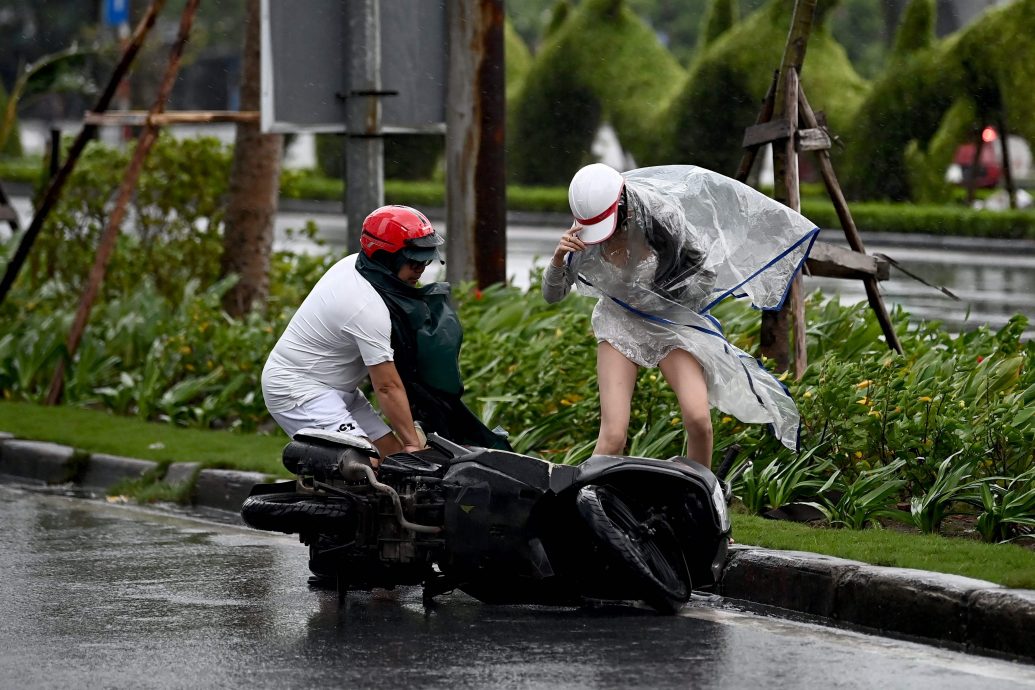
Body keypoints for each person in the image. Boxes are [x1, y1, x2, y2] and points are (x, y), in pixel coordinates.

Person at [542, 163, 819, 467]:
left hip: (671, 321)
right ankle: (586, 503)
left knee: (698, 419)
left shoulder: (663, 218)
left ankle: (698, 495)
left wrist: (662, 292)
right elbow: (552, 295)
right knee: (613, 434)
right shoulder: (583, 235)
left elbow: (704, 276)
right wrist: (557, 260)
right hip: (619, 321)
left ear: (624, 205)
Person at [262, 204, 508, 461]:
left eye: (426, 259)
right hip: (297, 390)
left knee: (394, 458)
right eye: (413, 261)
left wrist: (411, 446)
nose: (421, 268)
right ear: (385, 258)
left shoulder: (362, 267)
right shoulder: (364, 305)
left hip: (340, 389)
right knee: (368, 463)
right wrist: (414, 445)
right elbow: (387, 386)